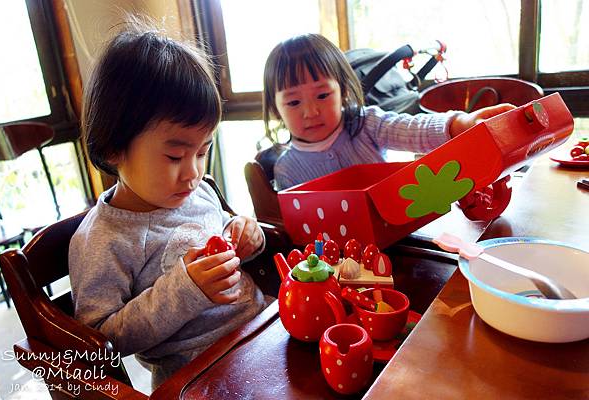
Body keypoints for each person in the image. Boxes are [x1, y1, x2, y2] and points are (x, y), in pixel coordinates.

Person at [69, 21, 267, 390]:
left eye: (203, 150)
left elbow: (228, 237)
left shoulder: (200, 191)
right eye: (175, 155)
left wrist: (247, 236)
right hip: (199, 375)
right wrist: (186, 289)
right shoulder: (103, 240)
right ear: (114, 148)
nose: (193, 173)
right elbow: (100, 344)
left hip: (263, 330)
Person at [262, 33, 516, 190]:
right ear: (276, 109)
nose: (310, 111)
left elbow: (414, 129)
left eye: (322, 95)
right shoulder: (287, 170)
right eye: (294, 103)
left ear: (344, 92)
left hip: (398, 239)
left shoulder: (366, 124)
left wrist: (462, 123)